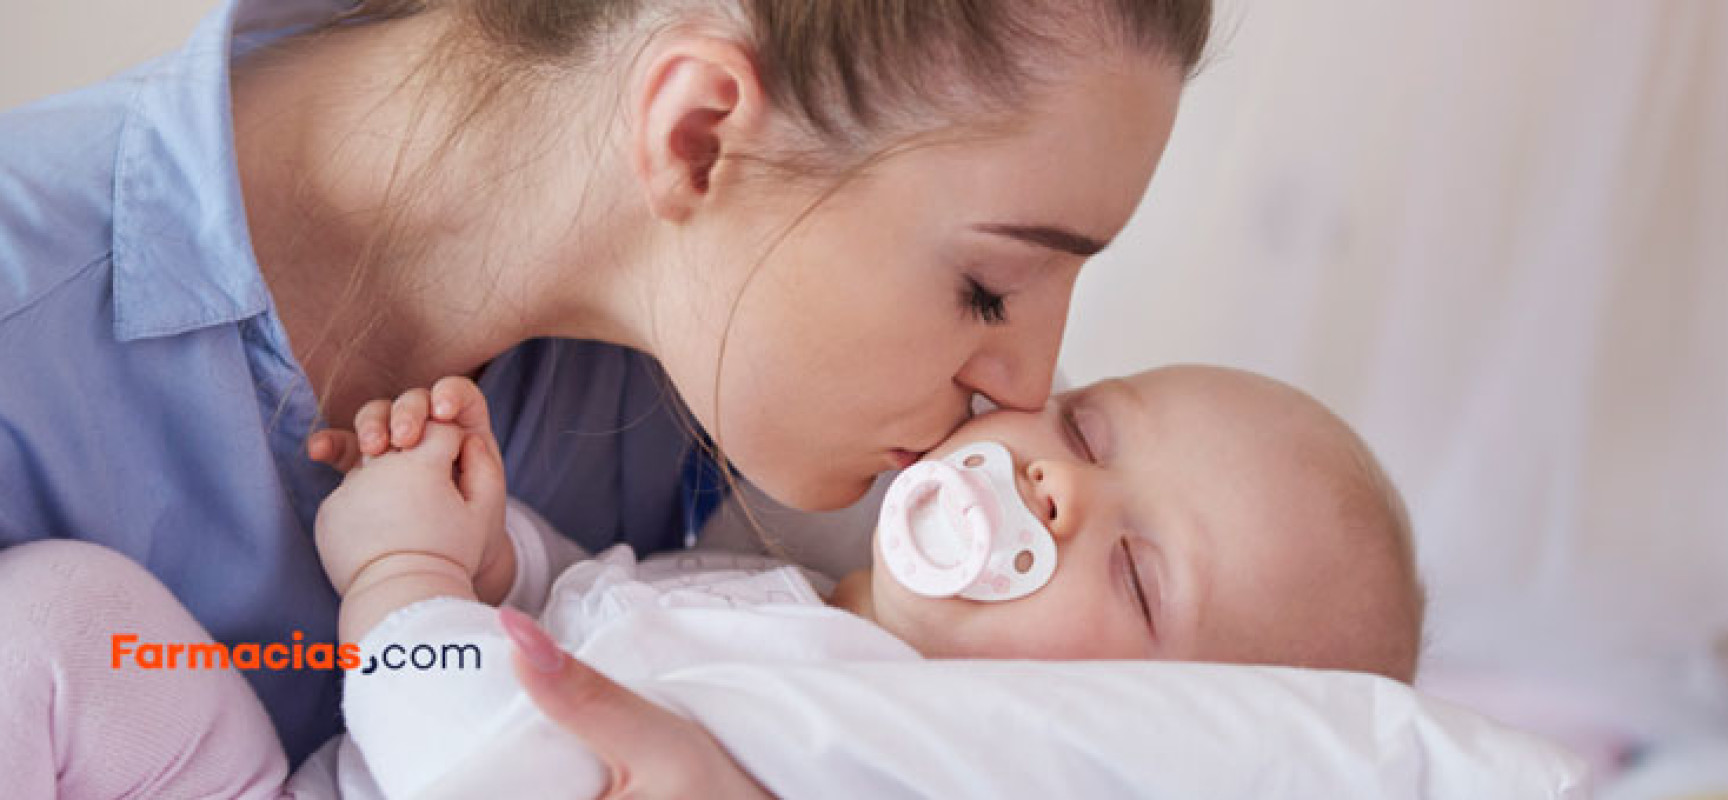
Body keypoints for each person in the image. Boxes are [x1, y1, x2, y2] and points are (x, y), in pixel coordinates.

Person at [0, 0, 1211, 787]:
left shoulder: (718, 422)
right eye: (991, 287)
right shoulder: (29, 320)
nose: (1026, 388)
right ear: (697, 136)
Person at [0, 365, 1424, 797]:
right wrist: (512, 555)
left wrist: (406, 570)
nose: (1057, 486)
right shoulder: (800, 605)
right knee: (76, 623)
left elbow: (488, 758)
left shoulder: (874, 753)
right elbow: (613, 614)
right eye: (1092, 431)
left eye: (1134, 573)